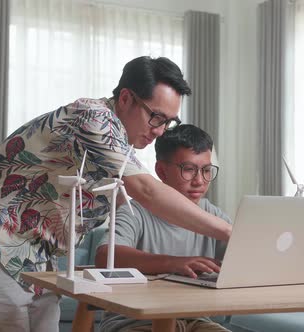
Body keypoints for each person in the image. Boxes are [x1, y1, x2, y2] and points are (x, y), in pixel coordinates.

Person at [0, 56, 233, 331]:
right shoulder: (93, 117)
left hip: (39, 252)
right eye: (156, 117)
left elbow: (126, 199)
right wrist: (231, 232)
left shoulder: (118, 143)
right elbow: (147, 190)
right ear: (126, 99)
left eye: (169, 122)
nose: (160, 131)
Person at [95, 124, 232, 332]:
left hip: (196, 321)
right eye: (188, 169)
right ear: (161, 171)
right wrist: (173, 263)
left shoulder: (214, 216)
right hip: (134, 322)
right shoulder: (135, 212)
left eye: (206, 170)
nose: (199, 181)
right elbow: (105, 257)